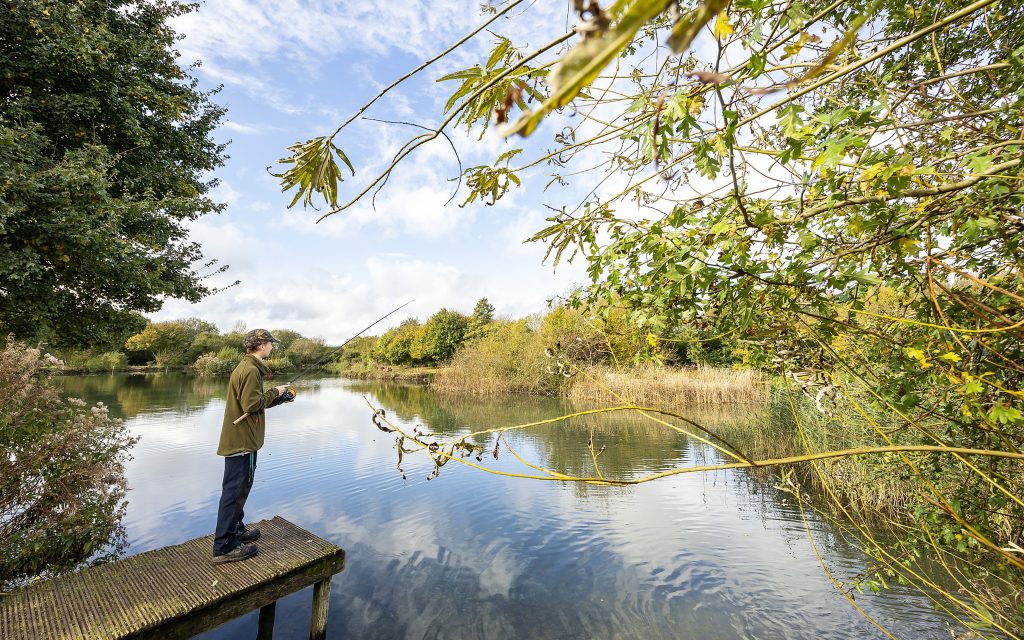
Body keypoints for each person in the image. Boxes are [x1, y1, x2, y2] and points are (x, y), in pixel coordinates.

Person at [210, 328, 291, 564]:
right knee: (234, 492)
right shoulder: (251, 370)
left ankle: (235, 529)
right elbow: (251, 404)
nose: (272, 347)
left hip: (242, 439)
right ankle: (224, 546)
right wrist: (276, 391)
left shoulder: (247, 367)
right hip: (242, 442)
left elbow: (253, 404)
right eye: (270, 343)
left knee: (239, 489)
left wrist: (276, 398)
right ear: (262, 345)